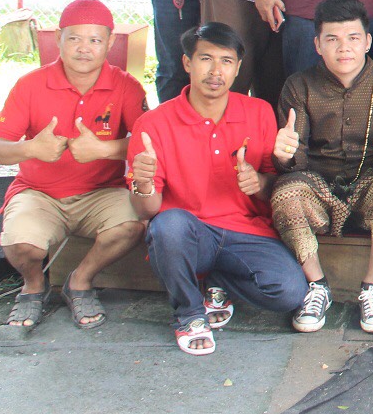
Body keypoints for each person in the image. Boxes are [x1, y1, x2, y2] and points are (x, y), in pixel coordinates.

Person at [128, 22, 307, 356]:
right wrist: (143, 182)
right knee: (167, 226)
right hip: (189, 234)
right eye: (205, 59)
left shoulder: (258, 111)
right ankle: (190, 315)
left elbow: (273, 185)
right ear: (187, 63)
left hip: (246, 231)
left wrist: (259, 182)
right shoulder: (152, 124)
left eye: (226, 61)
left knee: (290, 293)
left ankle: (216, 281)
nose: (215, 71)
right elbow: (146, 211)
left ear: (238, 68)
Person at [0, 0, 146, 329]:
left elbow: (151, 144)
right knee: (20, 242)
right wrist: (31, 148)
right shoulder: (30, 85)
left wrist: (103, 149)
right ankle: (33, 286)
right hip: (39, 192)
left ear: (110, 43)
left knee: (134, 223)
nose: (84, 48)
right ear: (58, 38)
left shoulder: (126, 86)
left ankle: (80, 281)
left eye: (95, 40)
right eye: (74, 38)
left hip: (102, 192)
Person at [269, 0, 373, 335]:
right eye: (332, 39)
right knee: (286, 192)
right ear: (317, 45)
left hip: (371, 185)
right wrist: (283, 153)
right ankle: (316, 286)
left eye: (353, 38)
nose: (343, 48)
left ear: (368, 41)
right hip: (318, 186)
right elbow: (293, 159)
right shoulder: (299, 85)